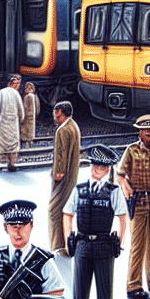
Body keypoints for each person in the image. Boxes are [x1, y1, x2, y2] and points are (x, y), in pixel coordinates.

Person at [64, 144, 127, 299]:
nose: (95, 170)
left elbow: (122, 216)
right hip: (82, 244)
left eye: (100, 167)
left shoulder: (114, 191)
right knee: (79, 294)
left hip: (104, 246)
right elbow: (67, 213)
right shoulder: (79, 190)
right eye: (93, 166)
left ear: (108, 169)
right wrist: (68, 239)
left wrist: (121, 240)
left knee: (104, 294)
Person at [118, 114, 150, 299]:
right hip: (139, 202)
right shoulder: (131, 150)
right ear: (140, 132)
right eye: (147, 130)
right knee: (138, 245)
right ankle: (134, 285)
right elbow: (121, 175)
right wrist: (127, 188)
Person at [47, 101, 82, 255]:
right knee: (65, 210)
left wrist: (58, 174)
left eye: (58, 114)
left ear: (63, 113)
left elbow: (61, 155)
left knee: (53, 210)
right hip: (72, 175)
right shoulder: (73, 125)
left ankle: (57, 246)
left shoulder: (62, 130)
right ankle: (65, 245)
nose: (55, 117)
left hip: (63, 177)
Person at [0, 75, 24, 173]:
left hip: (3, 120)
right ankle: (12, 164)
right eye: (16, 83)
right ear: (11, 83)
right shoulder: (16, 94)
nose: (18, 86)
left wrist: (1, 114)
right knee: (13, 144)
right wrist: (21, 118)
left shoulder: (1, 92)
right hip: (13, 122)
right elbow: (21, 110)